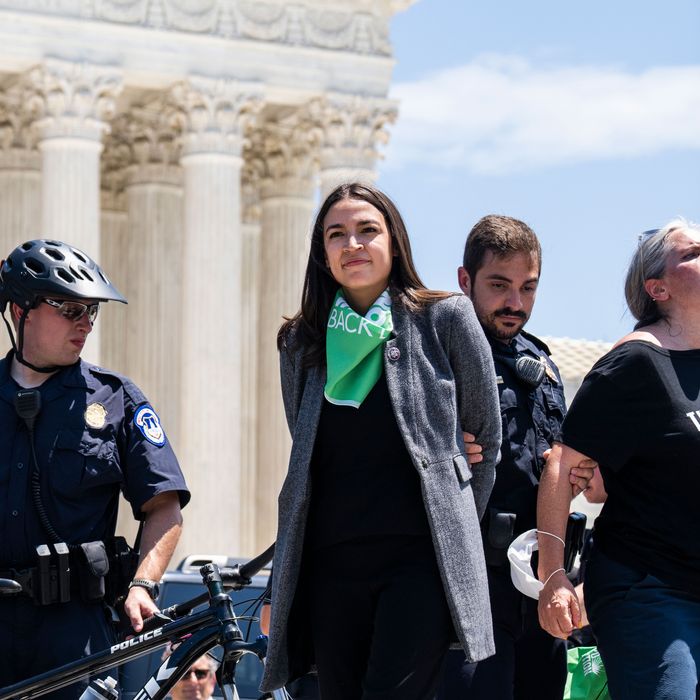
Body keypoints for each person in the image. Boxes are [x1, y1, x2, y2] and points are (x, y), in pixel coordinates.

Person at [259, 183, 502, 699]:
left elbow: (486, 440)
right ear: (322, 256)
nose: (353, 244)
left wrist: (454, 520)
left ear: (394, 242)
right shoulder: (299, 342)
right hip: (330, 566)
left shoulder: (446, 318)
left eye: (367, 230)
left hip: (419, 563)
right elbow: (305, 456)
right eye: (336, 235)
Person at [0, 239, 190, 698]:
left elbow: (164, 506)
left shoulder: (116, 398)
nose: (85, 323)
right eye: (70, 309)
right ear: (20, 311)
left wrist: (144, 585)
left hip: (76, 637)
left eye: (92, 311)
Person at [537, 218, 700, 700]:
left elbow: (610, 479)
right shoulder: (636, 362)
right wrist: (554, 576)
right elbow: (563, 468)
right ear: (658, 287)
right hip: (651, 589)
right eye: (693, 252)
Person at [438, 215, 594, 700]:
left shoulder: (541, 362)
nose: (515, 303)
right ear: (466, 282)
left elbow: (561, 459)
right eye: (499, 286)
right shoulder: (438, 357)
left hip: (541, 578)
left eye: (528, 288)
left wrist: (582, 470)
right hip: (472, 586)